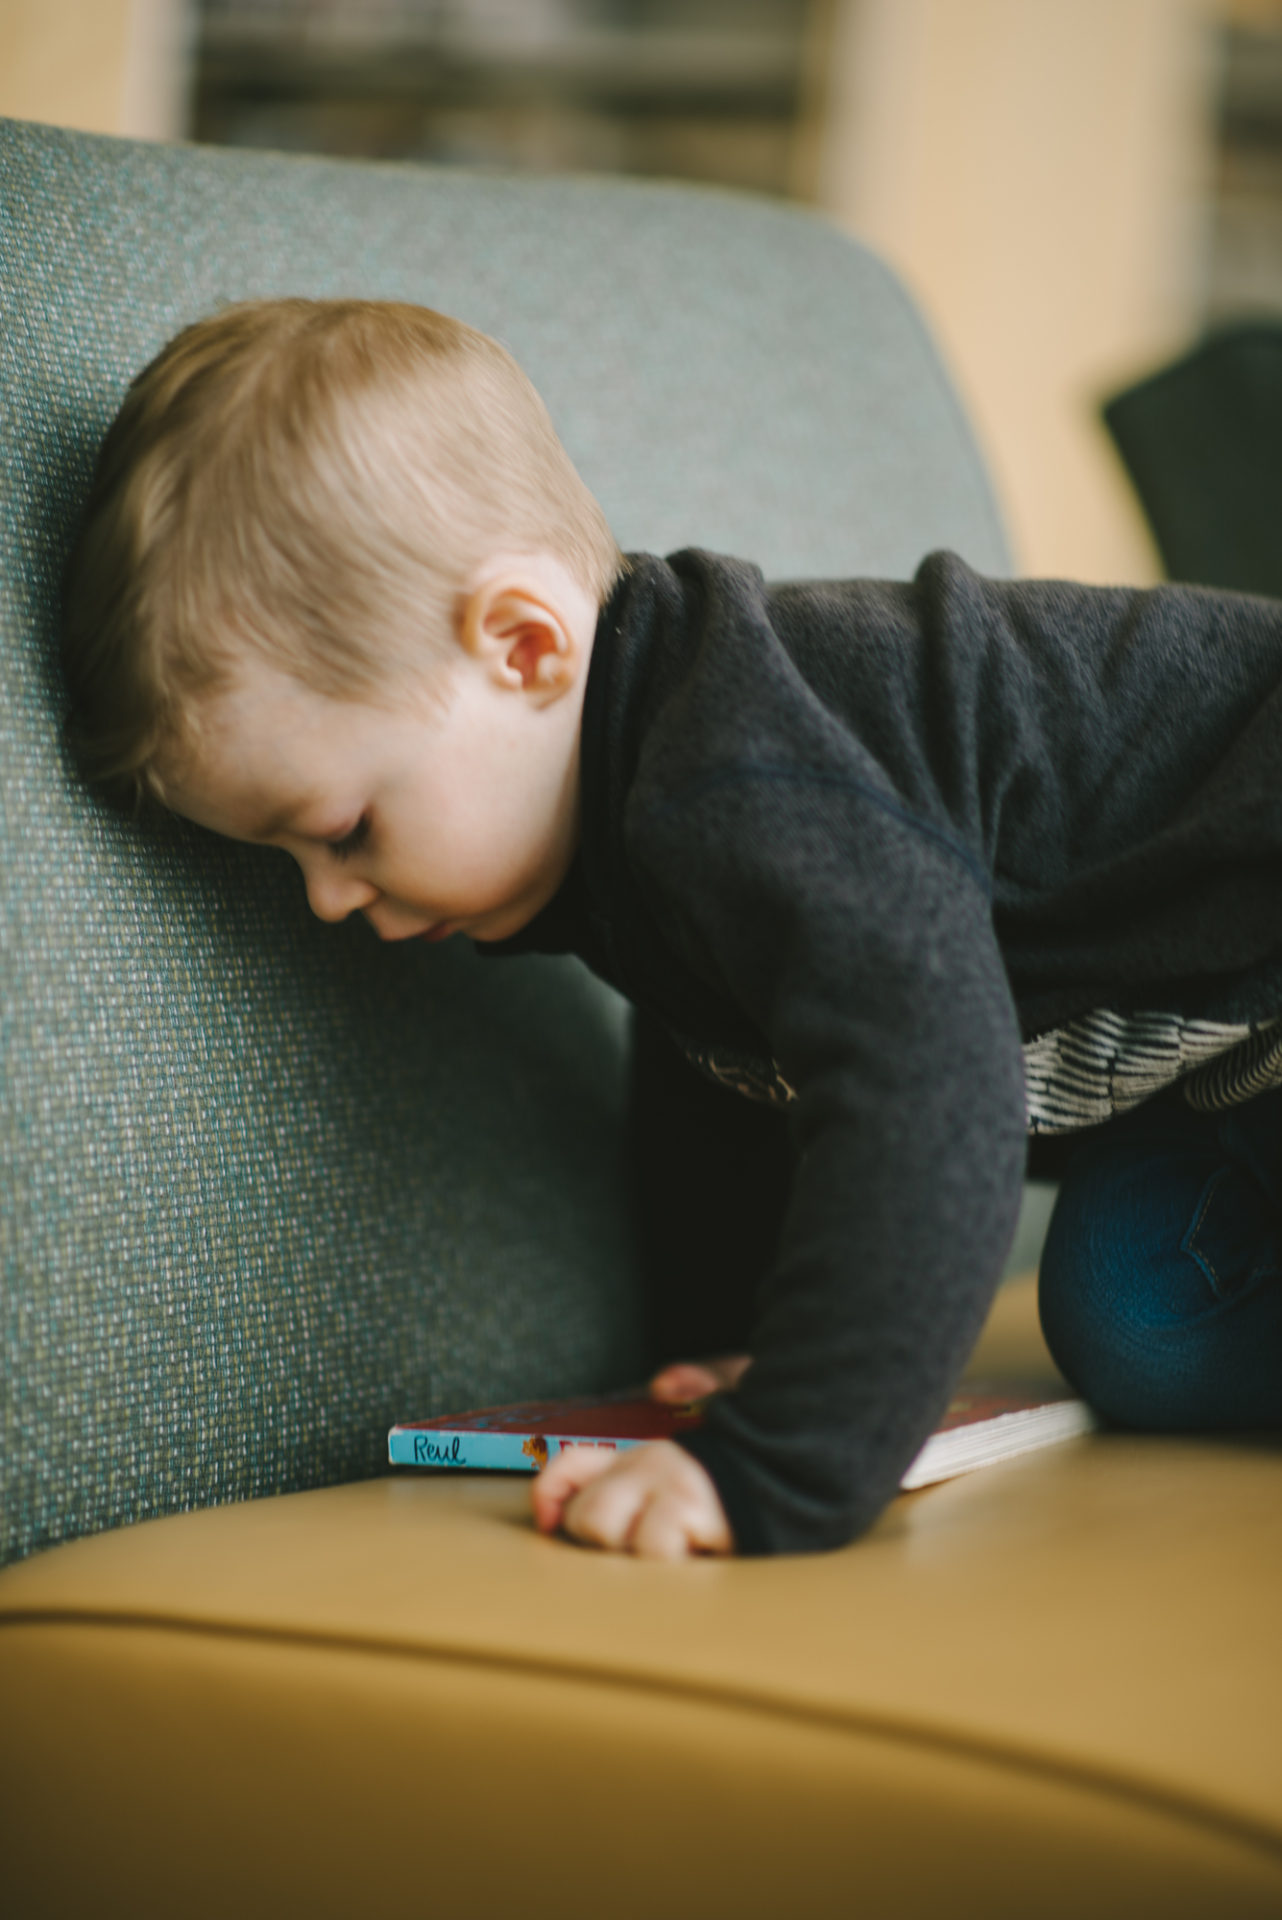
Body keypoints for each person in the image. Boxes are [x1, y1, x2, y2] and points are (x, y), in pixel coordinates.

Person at [60, 297, 1282, 1560]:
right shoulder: (636, 843)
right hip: (1233, 1084)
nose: (323, 899)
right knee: (1130, 1311)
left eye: (344, 827)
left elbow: (924, 1082)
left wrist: (779, 1462)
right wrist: (742, 1340)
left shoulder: (740, 777)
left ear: (524, 647)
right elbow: (729, 1092)